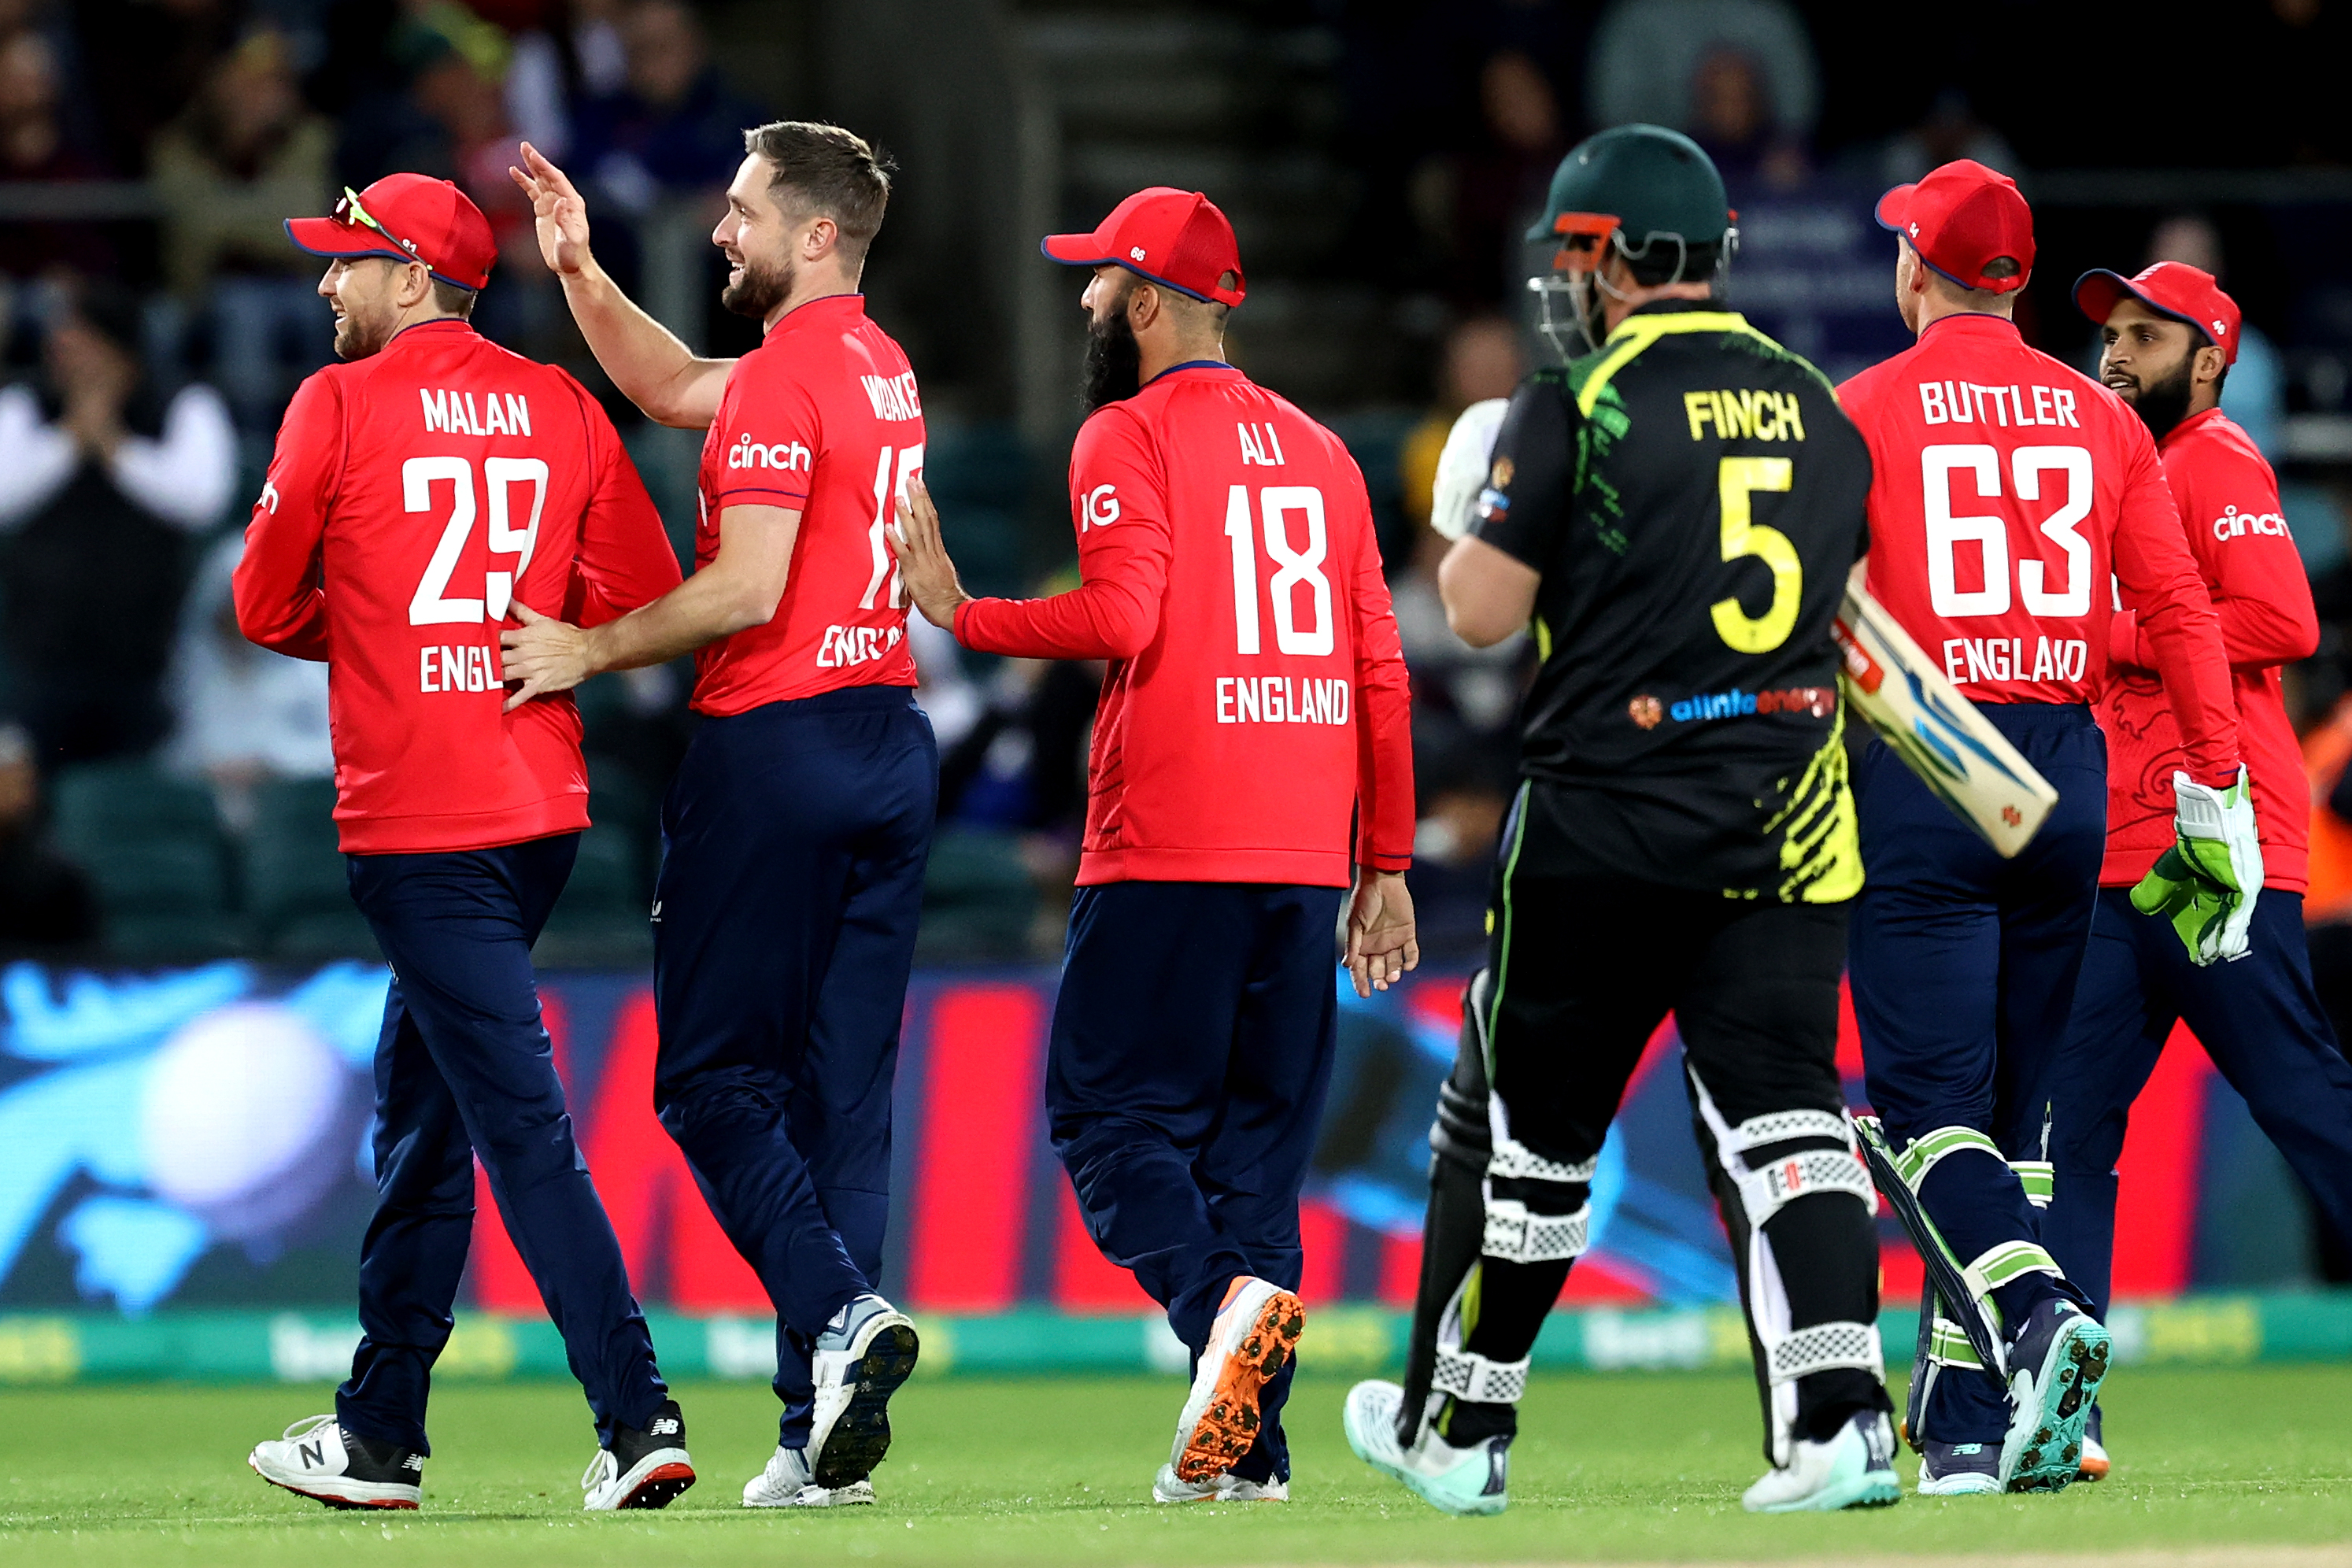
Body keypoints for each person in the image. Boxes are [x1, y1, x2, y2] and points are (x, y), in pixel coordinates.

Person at [1339, 124, 1895, 1518]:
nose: (1566, 284)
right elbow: (1852, 604)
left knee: (1537, 1142)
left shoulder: (1571, 403)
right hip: (1785, 817)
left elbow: (1475, 614)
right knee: (1789, 1119)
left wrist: (1476, 508)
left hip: (1601, 823)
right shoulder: (1819, 403)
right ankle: (1843, 1423)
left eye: (1577, 255)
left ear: (1625, 258)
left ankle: (1464, 1436)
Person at [887, 185, 1418, 1503]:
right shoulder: (1323, 452)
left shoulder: (1121, 433)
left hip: (1170, 839)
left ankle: (1207, 1306)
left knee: (1103, 1115)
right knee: (1252, 1160)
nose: (1081, 300)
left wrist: (963, 609)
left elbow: (1123, 616)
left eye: (1096, 279)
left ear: (1148, 297)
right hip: (1303, 854)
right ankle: (1252, 1448)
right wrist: (1387, 864)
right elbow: (1379, 670)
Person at [233, 172, 695, 1513]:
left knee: (517, 1125)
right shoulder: (557, 402)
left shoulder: (339, 400)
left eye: (348, 263)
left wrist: (385, 629)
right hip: (538, 815)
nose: (329, 285)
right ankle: (380, 1429)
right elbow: (640, 597)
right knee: (427, 1117)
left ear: (413, 276)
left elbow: (265, 603)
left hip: (419, 824)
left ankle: (636, 1411)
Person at [500, 123, 930, 1509]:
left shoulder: (786, 381)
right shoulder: (873, 363)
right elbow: (675, 379)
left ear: (814, 233)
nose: (718, 231)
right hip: (888, 738)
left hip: (776, 746)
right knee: (840, 1107)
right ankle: (819, 1439)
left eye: (742, 211)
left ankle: (841, 1318)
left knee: (710, 1088)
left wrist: (590, 647)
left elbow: (745, 590)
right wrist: (576, 269)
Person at [1836, 160, 2256, 1495]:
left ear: (1916, 269)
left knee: (1919, 1114)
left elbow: (1811, 611)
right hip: (2066, 772)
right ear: (2016, 281)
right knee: (2011, 1119)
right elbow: (2183, 613)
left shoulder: (1860, 409)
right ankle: (1968, 1433)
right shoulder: (2098, 415)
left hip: (1926, 754)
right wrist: (2214, 787)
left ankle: (2034, 1323)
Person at [2046, 260, 2352, 1481]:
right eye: (2110, 336)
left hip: (2216, 852)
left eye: (2143, 339)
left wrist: (2117, 632)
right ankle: (2060, 1408)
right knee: (2069, 1131)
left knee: (2305, 1105)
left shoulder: (2216, 459)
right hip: (2136, 860)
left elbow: (2286, 621)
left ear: (2209, 360)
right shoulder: (2137, 469)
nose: (2115, 355)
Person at [0, 282, 235, 766]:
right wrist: (70, 439)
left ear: (118, 346)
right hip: (38, 655)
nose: (63, 357)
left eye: (77, 343)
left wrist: (114, 446)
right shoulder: (26, 406)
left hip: (147, 657)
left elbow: (201, 500)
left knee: (133, 791)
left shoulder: (185, 405)